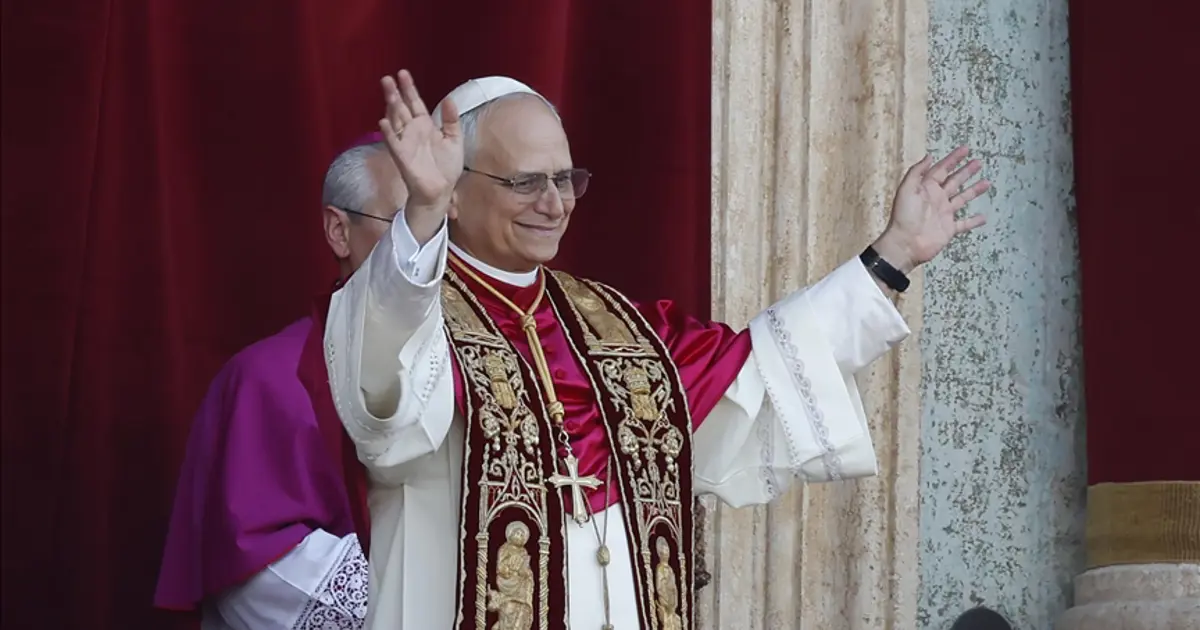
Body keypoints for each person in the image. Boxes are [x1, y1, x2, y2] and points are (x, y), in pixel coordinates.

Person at [324, 71, 992, 630]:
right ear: (457, 191)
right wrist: (421, 216)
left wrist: (893, 255)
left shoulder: (616, 327)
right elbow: (382, 386)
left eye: (567, 179)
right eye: (526, 182)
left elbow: (759, 367)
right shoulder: (412, 309)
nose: (554, 204)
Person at [154, 134, 408, 629]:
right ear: (339, 231)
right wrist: (428, 591)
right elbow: (256, 565)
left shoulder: (483, 365)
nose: (429, 249)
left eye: (442, 227)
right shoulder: (268, 380)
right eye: (405, 222)